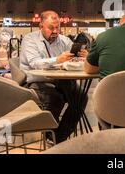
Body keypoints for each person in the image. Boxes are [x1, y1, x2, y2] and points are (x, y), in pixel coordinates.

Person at [20, 10, 88, 143]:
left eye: (58, 27)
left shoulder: (64, 41)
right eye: (51, 28)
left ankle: (58, 137)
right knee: (55, 98)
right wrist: (58, 60)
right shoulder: (30, 40)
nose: (55, 31)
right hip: (36, 81)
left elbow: (74, 59)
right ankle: (52, 136)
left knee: (81, 98)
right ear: (41, 27)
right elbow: (34, 63)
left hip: (61, 80)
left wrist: (83, 56)